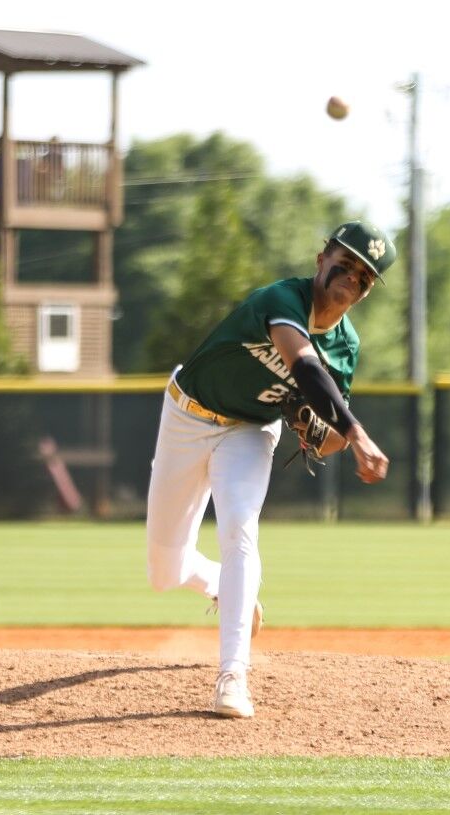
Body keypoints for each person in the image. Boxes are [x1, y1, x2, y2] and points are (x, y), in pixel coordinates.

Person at [145, 220, 394, 718]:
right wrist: (359, 433)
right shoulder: (283, 298)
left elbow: (326, 438)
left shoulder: (346, 346)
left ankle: (232, 677)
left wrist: (324, 437)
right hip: (187, 414)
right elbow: (303, 365)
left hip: (250, 430)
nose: (353, 277)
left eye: (365, 276)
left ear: (366, 292)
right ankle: (223, 584)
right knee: (163, 572)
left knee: (240, 529)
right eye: (345, 263)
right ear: (322, 259)